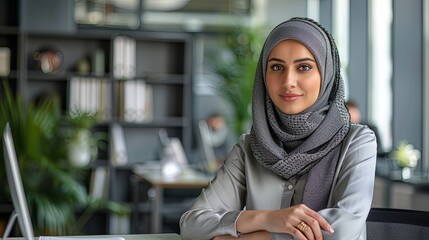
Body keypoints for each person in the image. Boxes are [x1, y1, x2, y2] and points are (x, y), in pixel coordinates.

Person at [180, 17, 377, 240]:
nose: (288, 81)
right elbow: (191, 224)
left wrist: (256, 237)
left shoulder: (357, 141)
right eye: (276, 67)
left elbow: (341, 233)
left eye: (304, 67)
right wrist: (269, 219)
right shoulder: (250, 148)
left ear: (327, 74)